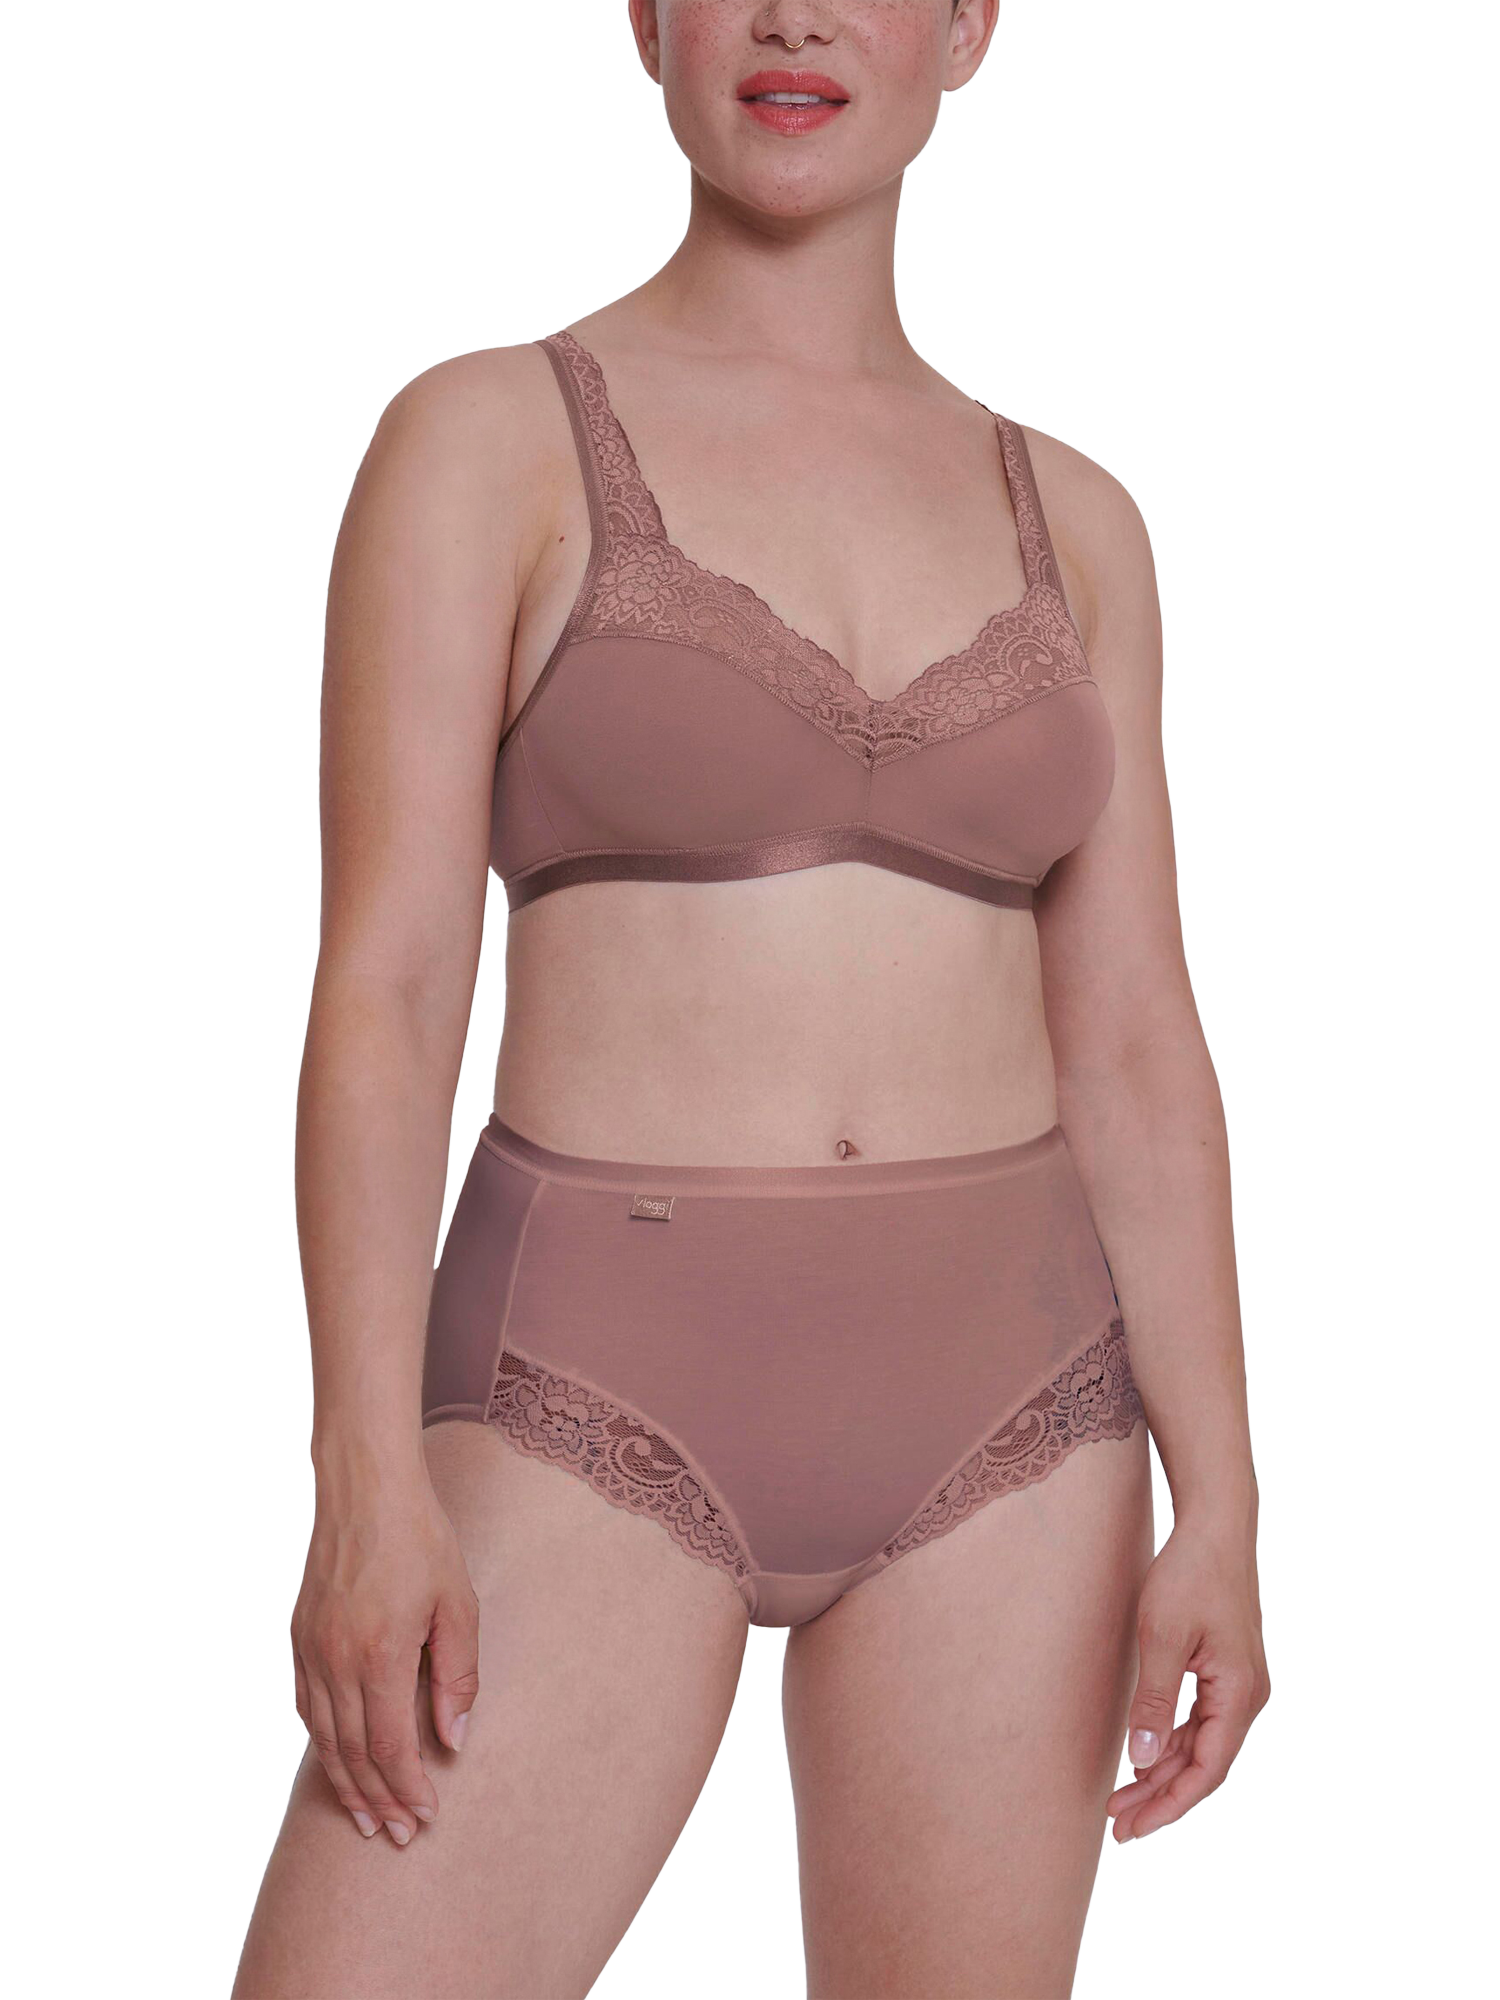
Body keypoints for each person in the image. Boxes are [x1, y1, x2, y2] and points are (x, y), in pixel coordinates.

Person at [233, 3, 1269, 1993]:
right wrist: (362, 1468)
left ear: (968, 26)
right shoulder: (489, 441)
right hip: (584, 1389)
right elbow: (388, 986)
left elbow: (1139, 1043)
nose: (794, 14)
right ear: (645, 18)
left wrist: (1220, 1492)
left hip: (1021, 1419)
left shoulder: (1082, 524)